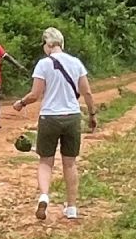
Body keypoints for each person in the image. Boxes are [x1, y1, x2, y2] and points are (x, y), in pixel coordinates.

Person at [12, 27, 97, 223]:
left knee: (45, 161)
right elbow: (87, 93)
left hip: (49, 118)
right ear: (61, 43)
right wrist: (92, 114)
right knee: (70, 163)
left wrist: (21, 103)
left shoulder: (43, 65)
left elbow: (35, 95)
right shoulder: (76, 63)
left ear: (47, 44)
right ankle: (72, 207)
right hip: (72, 117)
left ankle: (44, 196)